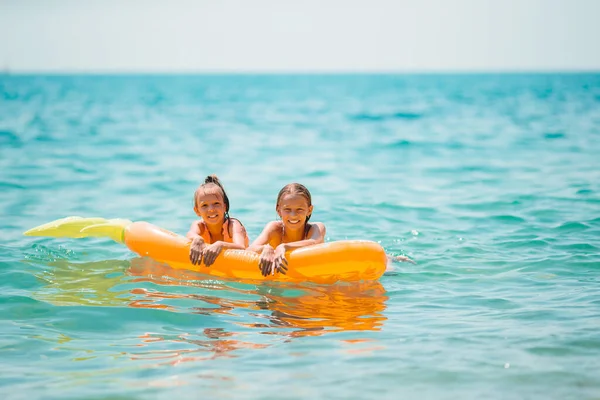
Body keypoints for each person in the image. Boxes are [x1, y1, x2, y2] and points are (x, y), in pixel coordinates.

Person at [247, 183, 326, 276]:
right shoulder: (274, 228)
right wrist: (266, 248)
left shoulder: (316, 227)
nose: (293, 215)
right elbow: (249, 249)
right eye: (287, 209)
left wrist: (284, 247)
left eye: (299, 209)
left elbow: (315, 242)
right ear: (278, 210)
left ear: (309, 210)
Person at [186, 175, 249, 267]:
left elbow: (241, 248)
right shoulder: (199, 225)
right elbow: (190, 234)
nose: (211, 209)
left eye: (216, 203)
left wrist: (221, 245)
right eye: (204, 205)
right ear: (197, 211)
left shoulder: (233, 225)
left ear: (225, 206)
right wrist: (197, 238)